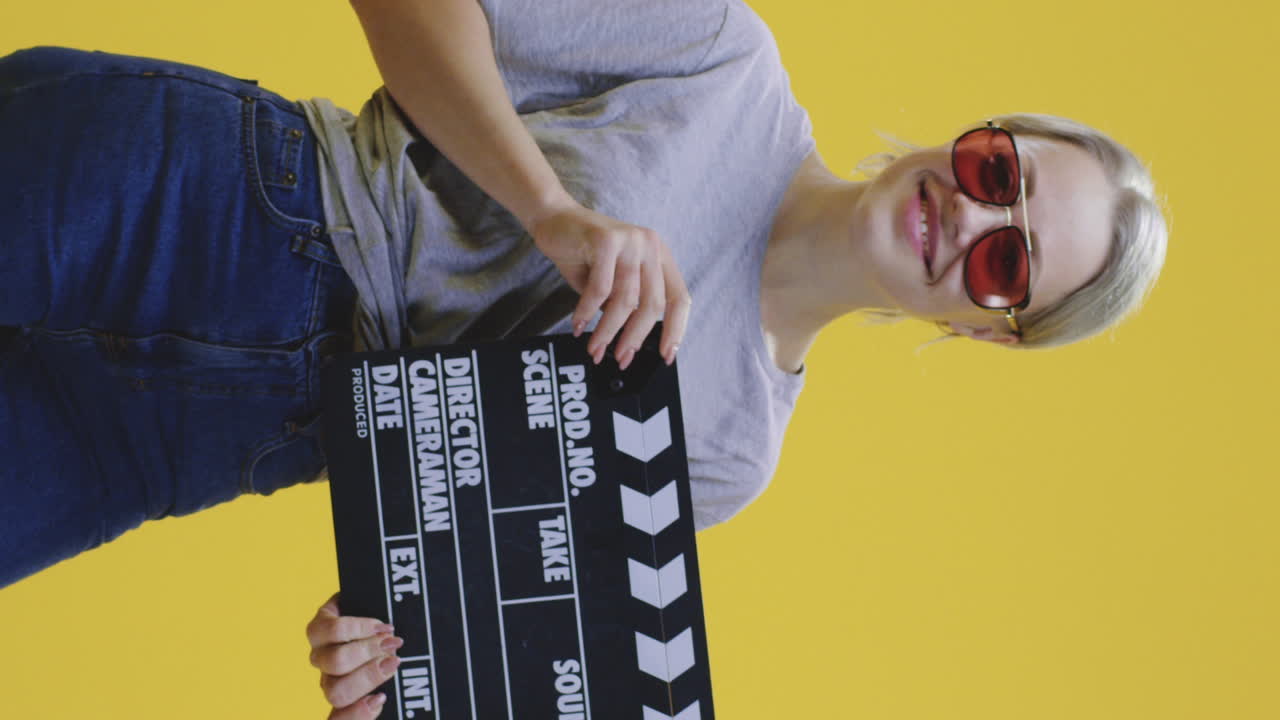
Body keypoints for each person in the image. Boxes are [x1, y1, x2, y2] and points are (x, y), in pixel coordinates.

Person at [0, 0, 1167, 716]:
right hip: (202, 194)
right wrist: (553, 210)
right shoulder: (721, 62)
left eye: (1006, 265)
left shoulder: (719, 457)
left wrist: (383, 664)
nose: (966, 223)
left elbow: (455, 600)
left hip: (185, 444)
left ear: (982, 331)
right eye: (993, 173)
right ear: (973, 135)